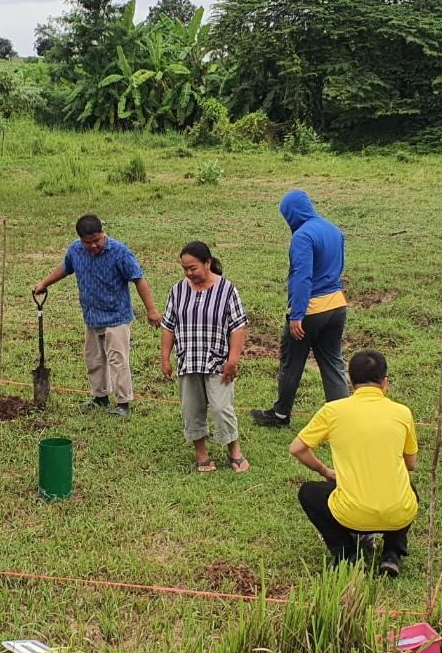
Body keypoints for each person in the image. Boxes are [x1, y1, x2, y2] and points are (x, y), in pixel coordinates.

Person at [289, 349, 418, 577]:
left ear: (350, 380)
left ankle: (346, 553)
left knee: (309, 492)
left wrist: (325, 471)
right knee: (410, 491)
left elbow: (297, 448)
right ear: (385, 382)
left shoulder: (332, 411)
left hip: (350, 514)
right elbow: (411, 465)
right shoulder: (403, 413)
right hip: (397, 513)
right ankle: (392, 554)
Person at [32, 214, 161, 417]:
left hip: (116, 316)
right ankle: (100, 397)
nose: (93, 246)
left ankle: (123, 403)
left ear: (103, 233)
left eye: (96, 241)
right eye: (87, 242)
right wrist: (44, 283)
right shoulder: (75, 249)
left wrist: (151, 310)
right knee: (94, 359)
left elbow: (139, 279)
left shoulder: (119, 252)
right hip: (91, 316)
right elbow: (66, 268)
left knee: (118, 361)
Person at [252, 190, 349, 428]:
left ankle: (280, 416)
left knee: (291, 362)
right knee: (332, 363)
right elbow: (339, 267)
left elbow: (302, 277)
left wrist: (297, 315)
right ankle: (344, 419)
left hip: (311, 311)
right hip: (337, 304)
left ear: (291, 214)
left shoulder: (302, 236)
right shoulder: (334, 230)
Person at [160, 242, 250, 473]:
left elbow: (238, 327)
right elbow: (169, 326)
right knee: (191, 408)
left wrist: (233, 359)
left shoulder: (227, 290)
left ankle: (234, 449)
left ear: (208, 263)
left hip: (218, 362)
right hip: (188, 360)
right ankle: (201, 453)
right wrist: (165, 357)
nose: (189, 273)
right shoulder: (178, 290)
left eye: (193, 268)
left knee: (221, 407)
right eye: (185, 268)